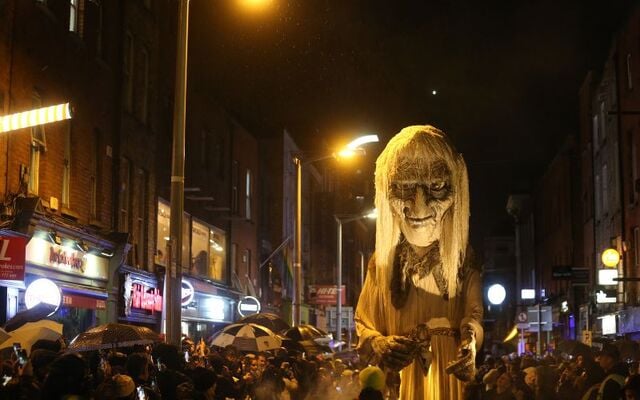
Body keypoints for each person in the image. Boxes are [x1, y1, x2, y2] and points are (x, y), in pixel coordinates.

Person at [355, 125, 484, 400]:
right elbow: (364, 321)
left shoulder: (462, 259)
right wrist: (380, 343)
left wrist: (470, 342)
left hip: (445, 373)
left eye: (436, 187)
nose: (419, 206)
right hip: (399, 376)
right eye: (403, 188)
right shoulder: (382, 263)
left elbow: (473, 315)